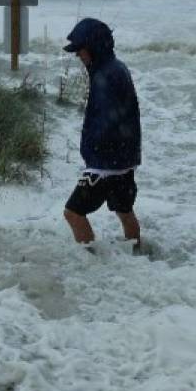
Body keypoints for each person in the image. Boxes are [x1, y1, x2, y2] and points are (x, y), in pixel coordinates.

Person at [62, 17, 142, 252]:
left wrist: (93, 156)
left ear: (93, 47)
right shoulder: (117, 67)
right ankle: (137, 255)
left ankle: (91, 262)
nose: (78, 56)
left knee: (73, 213)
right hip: (125, 161)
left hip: (105, 163)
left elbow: (108, 122)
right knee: (125, 211)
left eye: (80, 50)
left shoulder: (105, 75)